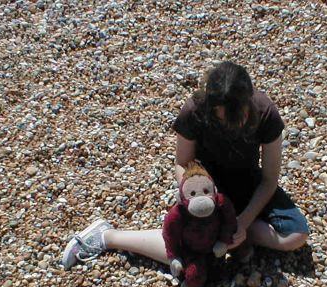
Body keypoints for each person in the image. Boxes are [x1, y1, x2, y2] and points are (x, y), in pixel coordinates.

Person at [62, 61, 309, 271]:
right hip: (207, 186)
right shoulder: (195, 112)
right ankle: (107, 237)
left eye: (238, 116)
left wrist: (241, 223)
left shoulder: (266, 113)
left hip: (249, 183)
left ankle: (225, 235)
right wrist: (198, 199)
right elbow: (182, 163)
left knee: (296, 236)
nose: (233, 123)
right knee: (195, 257)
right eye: (224, 118)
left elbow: (269, 179)